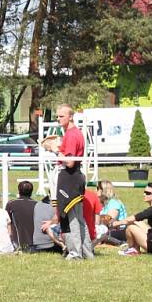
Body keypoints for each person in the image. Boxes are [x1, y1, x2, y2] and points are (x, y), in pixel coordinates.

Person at [55, 103, 93, 260]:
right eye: (57, 116)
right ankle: (87, 253)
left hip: (70, 178)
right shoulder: (75, 133)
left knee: (72, 218)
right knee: (78, 218)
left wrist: (56, 150)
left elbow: (69, 162)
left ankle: (75, 253)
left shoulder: (71, 135)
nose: (58, 119)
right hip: (75, 177)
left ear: (70, 116)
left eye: (61, 116)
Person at [114, 182, 152, 256]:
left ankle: (132, 249)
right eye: (144, 192)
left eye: (147, 193)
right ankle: (135, 248)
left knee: (130, 227)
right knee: (138, 223)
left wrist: (115, 224)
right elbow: (137, 220)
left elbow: (133, 218)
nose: (144, 194)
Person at [5, 180, 37, 252]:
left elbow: (6, 222)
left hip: (16, 243)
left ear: (19, 191)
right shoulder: (37, 204)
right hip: (34, 244)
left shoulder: (11, 204)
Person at [95, 180, 127, 245]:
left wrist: (95, 218)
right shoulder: (101, 203)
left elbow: (109, 219)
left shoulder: (113, 202)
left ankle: (119, 243)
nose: (96, 190)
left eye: (98, 188)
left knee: (99, 233)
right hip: (107, 229)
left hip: (119, 231)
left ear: (104, 190)